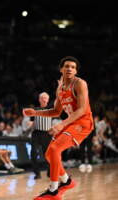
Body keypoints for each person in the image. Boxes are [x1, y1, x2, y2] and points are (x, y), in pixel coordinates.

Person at [23, 56, 93, 200]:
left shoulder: (80, 83)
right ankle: (67, 181)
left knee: (55, 150)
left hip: (83, 123)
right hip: (71, 123)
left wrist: (61, 124)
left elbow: (81, 110)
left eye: (73, 67)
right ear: (61, 69)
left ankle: (53, 190)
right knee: (49, 154)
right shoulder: (60, 88)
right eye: (67, 66)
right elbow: (55, 111)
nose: (70, 69)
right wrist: (35, 112)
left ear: (76, 71)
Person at [30, 92, 53, 179]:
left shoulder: (51, 110)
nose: (44, 99)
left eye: (45, 98)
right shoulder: (34, 110)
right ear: (39, 100)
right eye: (42, 98)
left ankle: (50, 172)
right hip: (36, 133)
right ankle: (37, 173)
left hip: (47, 134)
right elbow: (31, 122)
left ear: (48, 100)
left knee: (48, 155)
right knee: (33, 153)